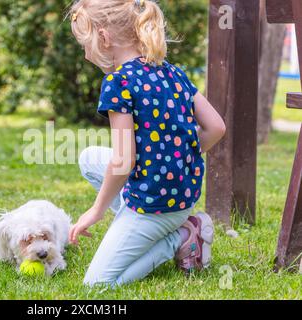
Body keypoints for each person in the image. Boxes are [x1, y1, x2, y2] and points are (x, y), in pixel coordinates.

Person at [67, 0, 226, 287]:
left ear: (104, 37)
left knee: (97, 284)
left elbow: (123, 161)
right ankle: (162, 225)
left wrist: (96, 210)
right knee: (89, 157)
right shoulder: (173, 73)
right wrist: (179, 156)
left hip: (155, 207)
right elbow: (216, 127)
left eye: (84, 43)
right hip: (180, 195)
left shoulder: (118, 82)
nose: (84, 52)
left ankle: (178, 238)